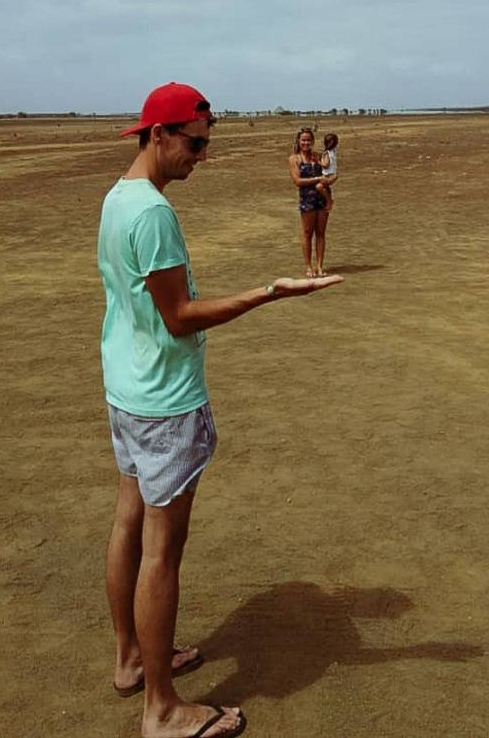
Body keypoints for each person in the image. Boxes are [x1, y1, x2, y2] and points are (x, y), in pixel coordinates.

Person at [98, 83, 342, 738]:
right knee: (161, 551)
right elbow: (178, 319)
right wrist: (270, 291)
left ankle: (130, 659)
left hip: (127, 387)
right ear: (159, 134)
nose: (202, 158)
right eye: (196, 143)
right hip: (163, 400)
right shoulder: (150, 213)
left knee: (128, 522)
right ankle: (162, 707)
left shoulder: (117, 198)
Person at [288, 127, 331, 277]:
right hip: (307, 199)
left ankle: (319, 266)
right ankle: (308, 266)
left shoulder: (318, 156)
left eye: (308, 140)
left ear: (312, 141)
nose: (306, 143)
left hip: (322, 198)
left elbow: (330, 171)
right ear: (299, 142)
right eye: (303, 140)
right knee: (307, 233)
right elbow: (297, 181)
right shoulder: (294, 159)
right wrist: (317, 179)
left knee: (321, 233)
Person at [316, 132, 339, 212]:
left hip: (328, 175)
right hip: (333, 174)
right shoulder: (333, 151)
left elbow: (326, 165)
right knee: (324, 187)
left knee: (318, 186)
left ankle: (329, 201)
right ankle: (328, 199)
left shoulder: (326, 153)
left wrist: (318, 161)